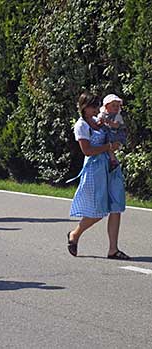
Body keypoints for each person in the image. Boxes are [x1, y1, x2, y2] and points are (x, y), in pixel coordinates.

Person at [67, 92, 130, 260]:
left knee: (116, 206)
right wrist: (108, 146)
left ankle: (113, 249)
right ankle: (75, 234)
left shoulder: (98, 121)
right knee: (98, 211)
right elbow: (87, 150)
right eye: (93, 106)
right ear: (84, 107)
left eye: (97, 105)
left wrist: (114, 140)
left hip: (111, 166)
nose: (96, 109)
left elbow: (115, 132)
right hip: (95, 169)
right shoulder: (81, 125)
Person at [96, 94, 127, 171]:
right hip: (107, 134)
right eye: (113, 105)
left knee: (111, 147)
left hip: (115, 134)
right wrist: (101, 122)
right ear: (106, 107)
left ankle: (113, 161)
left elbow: (116, 125)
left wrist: (108, 122)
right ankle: (112, 161)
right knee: (107, 147)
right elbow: (98, 123)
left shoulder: (118, 116)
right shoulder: (102, 115)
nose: (116, 107)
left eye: (117, 106)